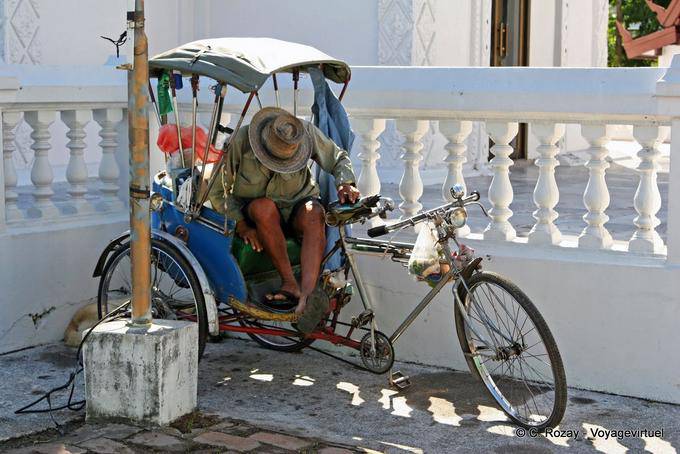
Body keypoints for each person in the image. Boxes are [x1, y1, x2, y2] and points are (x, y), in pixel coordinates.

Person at [209, 107, 360, 319]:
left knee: (314, 212)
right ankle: (290, 284)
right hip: (257, 210)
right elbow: (216, 190)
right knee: (264, 207)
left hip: (297, 204)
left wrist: (346, 183)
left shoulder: (305, 133)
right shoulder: (241, 140)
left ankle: (307, 298)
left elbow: (338, 158)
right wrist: (241, 223)